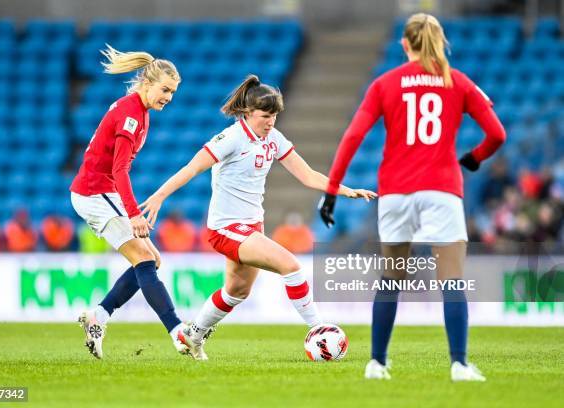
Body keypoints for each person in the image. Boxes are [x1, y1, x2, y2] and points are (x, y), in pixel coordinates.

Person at [318, 13, 506, 382]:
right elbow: (497, 134)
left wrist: (332, 191)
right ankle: (459, 365)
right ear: (440, 41)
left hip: (396, 192)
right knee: (451, 279)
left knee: (391, 278)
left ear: (404, 44)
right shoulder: (459, 82)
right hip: (442, 188)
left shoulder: (386, 83)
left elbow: (352, 136)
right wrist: (473, 159)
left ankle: (377, 363)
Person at [140, 75, 377, 360]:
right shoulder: (230, 138)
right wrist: (159, 196)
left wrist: (346, 190)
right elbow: (191, 169)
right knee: (291, 266)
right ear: (248, 112)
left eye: (274, 116)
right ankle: (319, 329)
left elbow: (307, 175)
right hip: (226, 228)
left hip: (251, 225)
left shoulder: (274, 139)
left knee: (237, 291)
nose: (270, 122)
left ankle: (193, 335)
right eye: (265, 116)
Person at [70, 45, 187, 359]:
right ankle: (179, 332)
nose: (169, 97)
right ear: (148, 84)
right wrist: (134, 214)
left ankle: (100, 316)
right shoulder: (131, 114)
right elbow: (118, 169)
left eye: (173, 92)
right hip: (94, 193)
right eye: (165, 90)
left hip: (102, 191)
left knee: (152, 261)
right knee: (145, 261)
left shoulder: (138, 110)